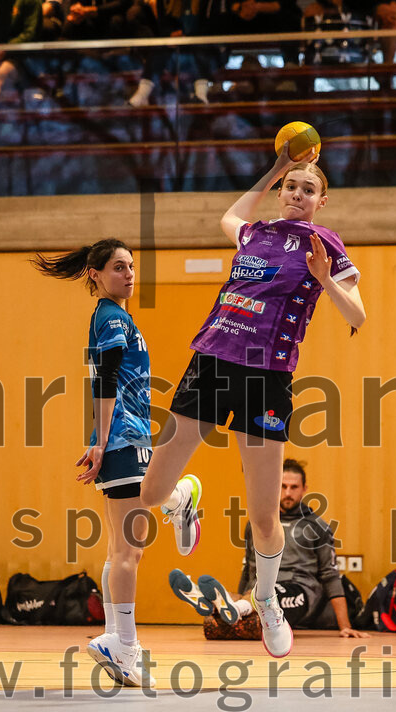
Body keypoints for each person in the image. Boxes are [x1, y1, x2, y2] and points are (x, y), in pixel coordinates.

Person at [140, 144, 366, 660]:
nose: (297, 195)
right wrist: (278, 165)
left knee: (264, 516)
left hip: (266, 377)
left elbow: (358, 317)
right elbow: (230, 215)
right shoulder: (257, 231)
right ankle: (182, 502)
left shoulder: (325, 243)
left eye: (309, 189)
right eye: (292, 187)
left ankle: (266, 601)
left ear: (321, 201)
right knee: (152, 492)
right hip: (212, 361)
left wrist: (325, 277)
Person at [34, 239, 184, 690]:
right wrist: (100, 442)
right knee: (128, 553)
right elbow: (105, 378)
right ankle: (124, 646)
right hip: (121, 443)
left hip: (127, 438)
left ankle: (117, 641)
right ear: (95, 275)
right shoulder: (111, 317)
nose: (129, 274)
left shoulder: (115, 316)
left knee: (122, 551)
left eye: (132, 267)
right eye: (119, 267)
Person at [171, 458, 370, 637]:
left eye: (294, 487)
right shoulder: (258, 524)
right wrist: (243, 593)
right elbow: (249, 566)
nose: (288, 493)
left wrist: (344, 625)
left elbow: (331, 575)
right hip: (260, 587)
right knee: (226, 624)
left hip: (300, 592)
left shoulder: (318, 527)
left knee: (269, 594)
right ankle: (225, 603)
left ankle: (229, 605)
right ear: (275, 486)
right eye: (283, 486)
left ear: (304, 488)